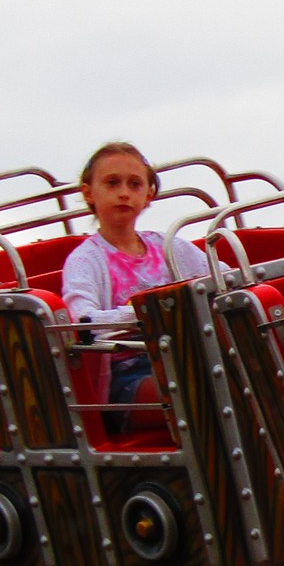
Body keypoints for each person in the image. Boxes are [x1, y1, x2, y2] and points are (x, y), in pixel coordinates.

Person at [61, 140, 210, 421]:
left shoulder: (169, 247)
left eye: (134, 185)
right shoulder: (85, 261)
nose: (124, 194)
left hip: (181, 359)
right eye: (112, 183)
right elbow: (82, 322)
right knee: (195, 388)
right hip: (124, 377)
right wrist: (149, 313)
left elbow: (218, 275)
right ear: (88, 193)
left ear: (149, 194)